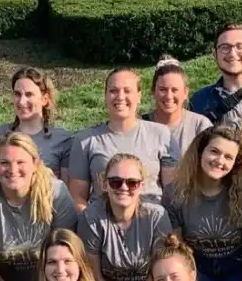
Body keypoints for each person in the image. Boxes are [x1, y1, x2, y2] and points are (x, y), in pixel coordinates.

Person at [0, 132, 81, 281]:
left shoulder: (56, 194)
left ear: (35, 163)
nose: (12, 170)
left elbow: (68, 255)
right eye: (4, 162)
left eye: (20, 162)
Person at [165, 125, 242, 281]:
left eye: (228, 157)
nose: (220, 161)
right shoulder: (175, 193)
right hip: (198, 268)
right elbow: (179, 251)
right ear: (201, 151)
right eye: (214, 151)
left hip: (237, 268)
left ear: (236, 163)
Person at [77, 154, 177, 281]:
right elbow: (93, 275)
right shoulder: (91, 218)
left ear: (141, 186)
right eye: (115, 182)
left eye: (132, 183)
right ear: (104, 184)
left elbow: (158, 272)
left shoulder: (156, 217)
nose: (124, 187)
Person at [68, 68, 176, 203]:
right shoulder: (85, 141)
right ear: (105, 96)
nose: (120, 96)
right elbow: (77, 198)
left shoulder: (162, 134)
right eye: (113, 90)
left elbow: (172, 193)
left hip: (151, 220)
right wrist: (91, 222)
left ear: (139, 96)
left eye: (127, 91)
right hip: (103, 220)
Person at [0, 67, 73, 185]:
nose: (22, 101)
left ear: (45, 99)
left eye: (29, 94)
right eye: (17, 94)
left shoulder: (63, 140)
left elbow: (67, 195)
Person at [146, 56, 215, 173]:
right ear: (153, 91)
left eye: (174, 90)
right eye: (163, 89)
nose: (168, 96)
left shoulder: (201, 126)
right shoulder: (141, 125)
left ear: (185, 92)